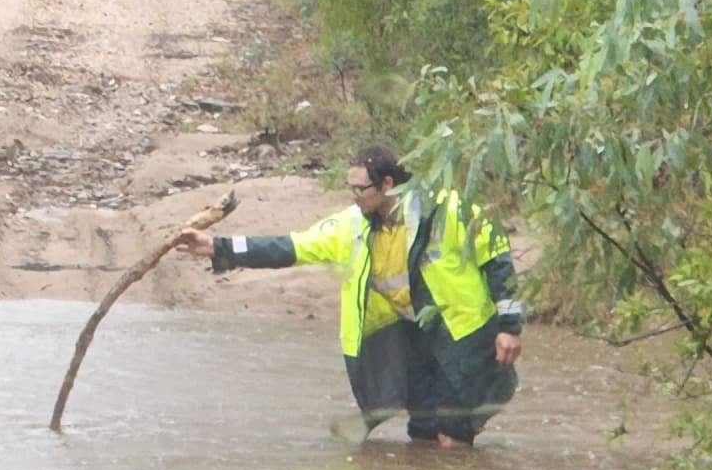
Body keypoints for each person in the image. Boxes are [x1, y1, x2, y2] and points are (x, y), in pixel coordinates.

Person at [177, 146, 522, 445]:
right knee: (422, 431)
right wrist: (217, 246)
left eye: (361, 189)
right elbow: (293, 247)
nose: (353, 197)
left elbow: (497, 258)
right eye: (350, 189)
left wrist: (509, 326)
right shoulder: (353, 224)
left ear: (388, 184)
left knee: (452, 432)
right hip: (412, 333)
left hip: (464, 330)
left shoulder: (448, 209)